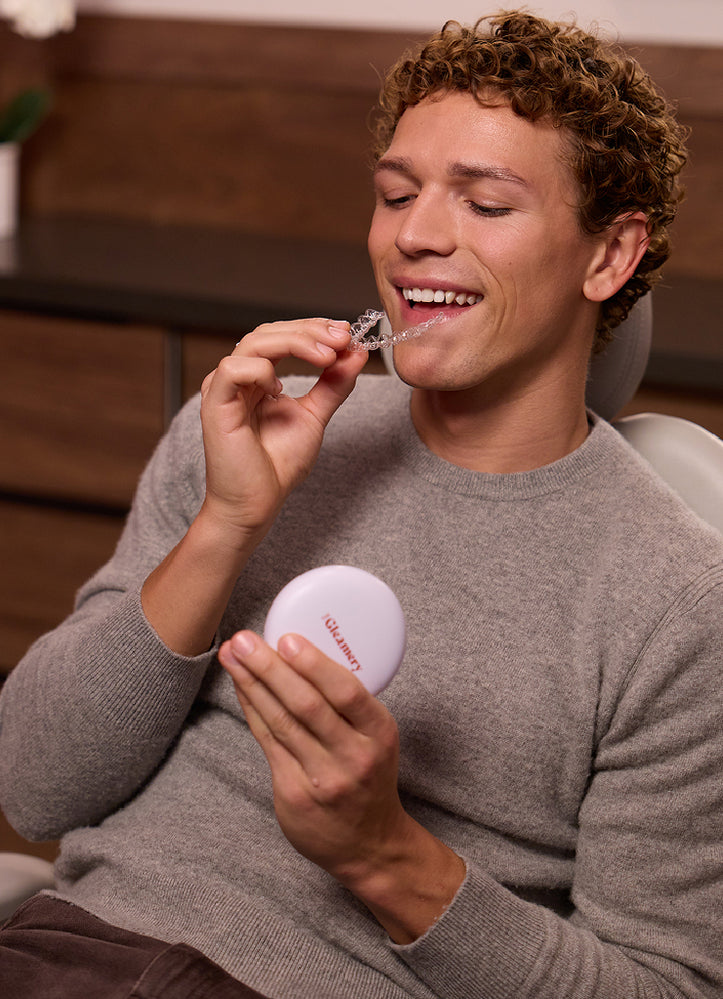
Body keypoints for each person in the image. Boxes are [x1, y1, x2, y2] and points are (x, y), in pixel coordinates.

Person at [1, 10, 721, 999]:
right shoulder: (255, 436)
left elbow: (664, 988)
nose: (414, 236)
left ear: (609, 256)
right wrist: (227, 523)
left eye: (487, 203)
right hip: (65, 951)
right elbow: (34, 784)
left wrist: (382, 855)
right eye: (396, 194)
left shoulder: (680, 605)